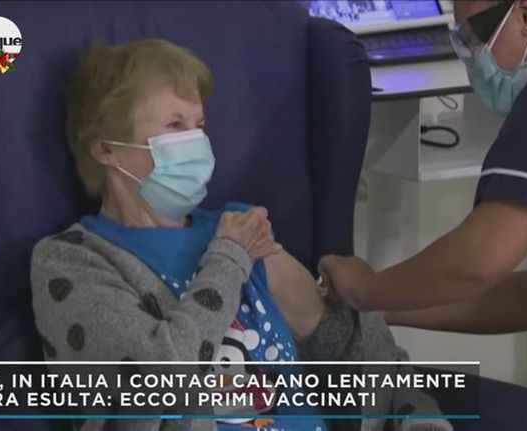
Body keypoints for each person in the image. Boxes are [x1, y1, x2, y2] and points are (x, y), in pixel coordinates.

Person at [30, 39, 451, 431]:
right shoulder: (72, 262)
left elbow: (365, 358)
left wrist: (423, 424)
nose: (196, 142)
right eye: (175, 125)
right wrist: (228, 260)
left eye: (199, 124)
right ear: (105, 148)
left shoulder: (240, 228)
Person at [319, 0, 527, 333]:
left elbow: (480, 259)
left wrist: (365, 289)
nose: (474, 60)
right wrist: (374, 309)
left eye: (475, 37)